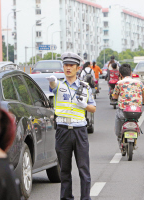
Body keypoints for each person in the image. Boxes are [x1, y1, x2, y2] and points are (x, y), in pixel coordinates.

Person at [46, 52, 96, 200]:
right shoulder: (58, 84)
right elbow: (52, 85)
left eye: (71, 66)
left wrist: (85, 105)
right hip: (62, 130)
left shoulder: (85, 87)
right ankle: (66, 198)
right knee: (65, 170)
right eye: (66, 65)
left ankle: (85, 198)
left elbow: (93, 108)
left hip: (79, 130)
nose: (68, 68)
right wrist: (52, 81)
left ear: (77, 68)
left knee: (83, 169)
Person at [112, 64, 144, 145]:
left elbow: (114, 96)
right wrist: (142, 102)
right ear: (131, 73)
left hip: (123, 112)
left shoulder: (119, 83)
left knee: (118, 118)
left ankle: (119, 136)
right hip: (136, 111)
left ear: (120, 74)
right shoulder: (139, 82)